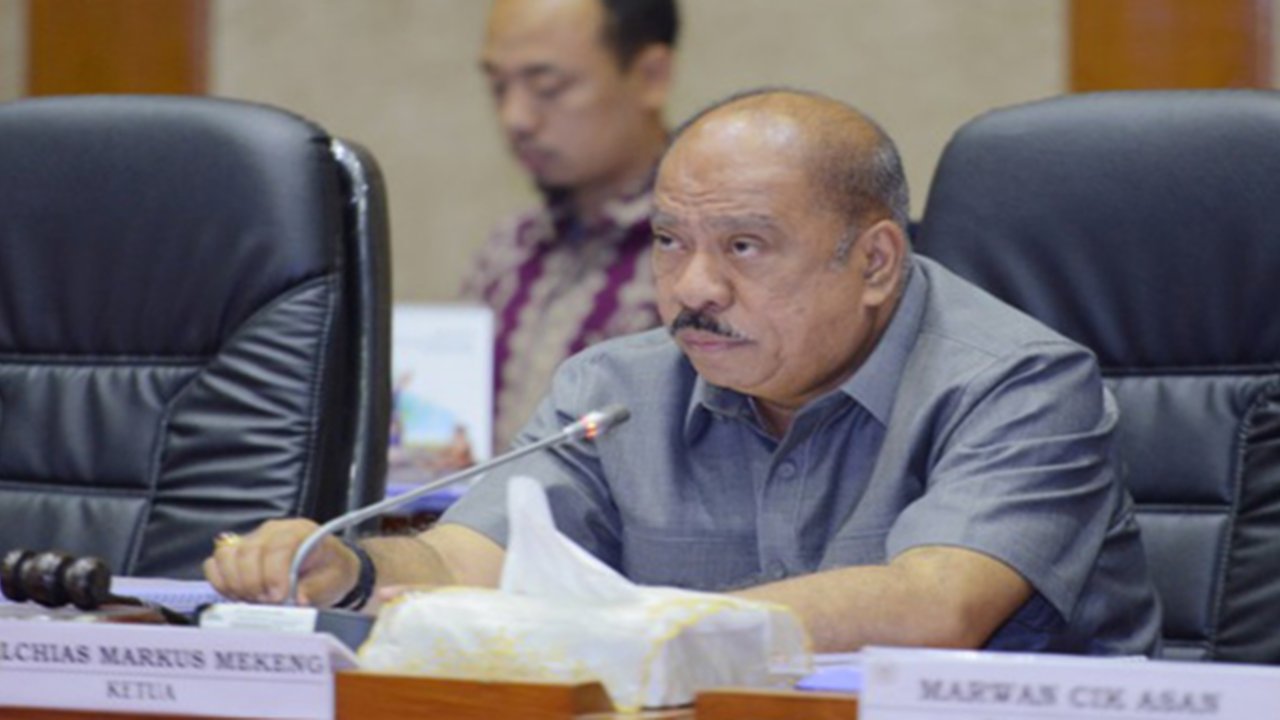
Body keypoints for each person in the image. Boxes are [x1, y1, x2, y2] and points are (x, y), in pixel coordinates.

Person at [205, 89, 1162, 656]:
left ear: (874, 262)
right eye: (670, 241)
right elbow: (470, 564)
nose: (693, 287)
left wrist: (624, 629)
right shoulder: (613, 392)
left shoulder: (1021, 385)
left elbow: (934, 605)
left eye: (744, 246)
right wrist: (352, 572)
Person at [463, 0, 678, 450]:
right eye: (498, 87)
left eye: (548, 86)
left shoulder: (700, 261)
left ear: (650, 76)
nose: (515, 118)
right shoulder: (507, 251)